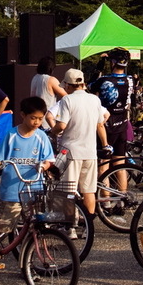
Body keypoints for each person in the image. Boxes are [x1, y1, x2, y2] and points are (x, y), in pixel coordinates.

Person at [0, 97, 56, 238]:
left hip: (34, 190)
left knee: (35, 228)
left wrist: (43, 166)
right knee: (2, 228)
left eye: (40, 119)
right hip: (12, 191)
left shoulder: (42, 136)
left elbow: (49, 160)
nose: (37, 122)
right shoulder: (11, 135)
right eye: (33, 118)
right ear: (23, 115)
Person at [49, 68, 109, 217]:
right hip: (90, 152)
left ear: (68, 85)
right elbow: (100, 124)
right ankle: (89, 223)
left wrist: (51, 133)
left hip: (71, 152)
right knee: (89, 190)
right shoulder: (94, 99)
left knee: (68, 191)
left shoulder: (67, 100)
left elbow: (61, 125)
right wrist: (105, 144)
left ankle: (71, 224)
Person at [90, 48, 137, 191]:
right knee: (120, 164)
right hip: (122, 123)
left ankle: (106, 200)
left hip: (107, 126)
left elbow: (90, 86)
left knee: (104, 164)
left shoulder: (104, 80)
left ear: (113, 62)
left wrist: (100, 65)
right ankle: (123, 198)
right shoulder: (130, 80)